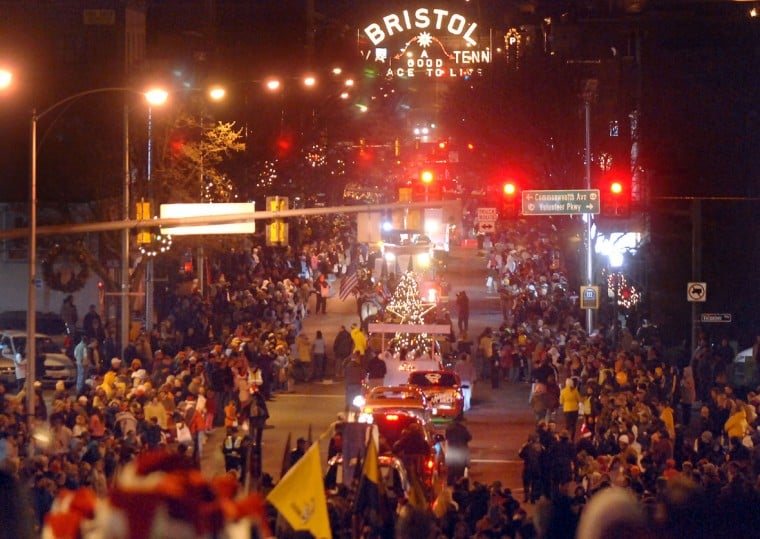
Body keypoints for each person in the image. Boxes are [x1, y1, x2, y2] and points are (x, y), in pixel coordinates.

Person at [445, 417, 472, 486]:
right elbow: (469, 437)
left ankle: (449, 483)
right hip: (461, 451)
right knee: (460, 470)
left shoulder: (449, 428)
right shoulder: (463, 429)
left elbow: (446, 436)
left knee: (451, 469)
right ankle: (459, 483)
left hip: (452, 450)